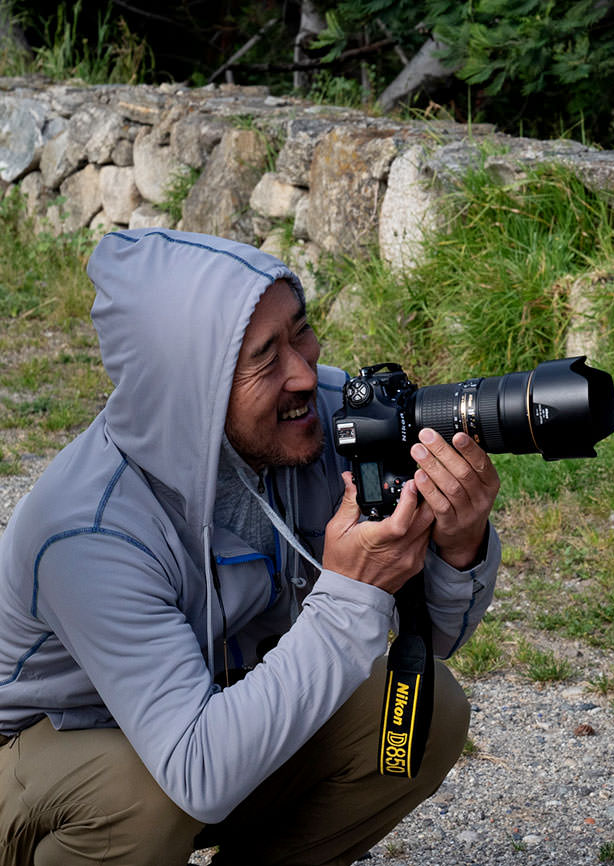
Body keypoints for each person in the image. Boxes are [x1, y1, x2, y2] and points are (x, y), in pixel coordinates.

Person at [0, 228, 502, 865]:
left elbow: (425, 642)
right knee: (146, 793)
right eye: (266, 357)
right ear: (192, 386)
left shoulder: (319, 422)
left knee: (418, 712)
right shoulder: (86, 531)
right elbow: (198, 774)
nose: (304, 371)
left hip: (208, 717)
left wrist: (456, 549)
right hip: (42, 761)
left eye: (302, 330)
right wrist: (351, 596)